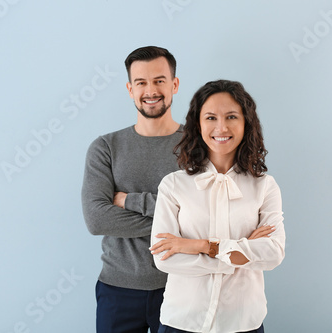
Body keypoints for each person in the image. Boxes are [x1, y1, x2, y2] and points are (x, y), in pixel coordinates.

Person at [149, 80, 286, 333]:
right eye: (211, 117)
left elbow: (273, 253)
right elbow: (164, 258)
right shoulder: (173, 185)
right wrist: (240, 255)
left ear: (246, 123)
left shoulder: (265, 187)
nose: (221, 127)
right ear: (198, 124)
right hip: (182, 321)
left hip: (243, 322)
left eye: (231, 116)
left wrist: (198, 246)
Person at [82, 46, 183, 333]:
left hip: (182, 286)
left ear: (174, 84)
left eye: (159, 80)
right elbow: (97, 219)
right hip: (118, 289)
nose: (150, 90)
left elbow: (205, 216)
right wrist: (175, 217)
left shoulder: (198, 146)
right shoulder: (105, 147)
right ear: (130, 89)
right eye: (141, 82)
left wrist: (129, 201)